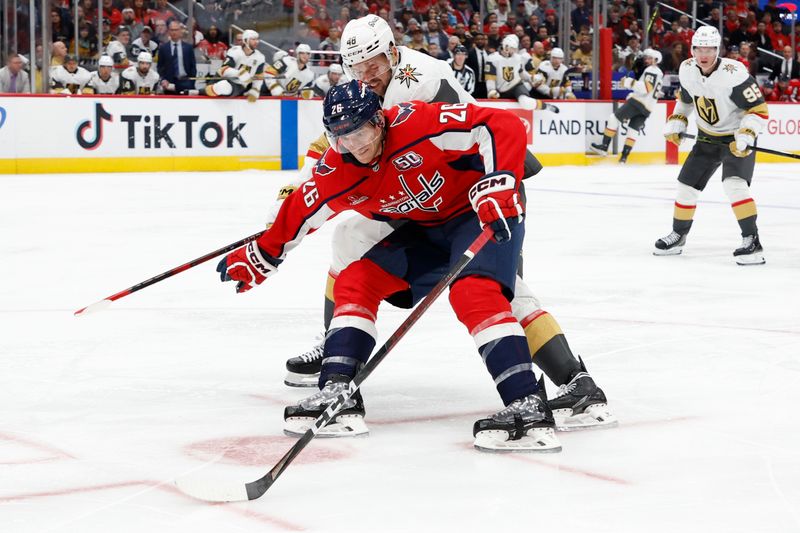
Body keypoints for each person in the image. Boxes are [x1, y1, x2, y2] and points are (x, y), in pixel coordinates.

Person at [272, 15, 614, 432]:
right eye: (356, 68)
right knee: (349, 237)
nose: (367, 75)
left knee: (495, 291)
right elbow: (336, 143)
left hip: (477, 188)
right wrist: (302, 190)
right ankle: (337, 356)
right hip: (427, 196)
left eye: (374, 65)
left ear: (392, 53)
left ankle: (574, 381)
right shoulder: (364, 87)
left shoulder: (420, 79)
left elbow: (451, 139)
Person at [218, 81, 562, 452]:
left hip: (478, 213)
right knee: (354, 280)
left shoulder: (418, 122)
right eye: (343, 136)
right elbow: (303, 207)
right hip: (427, 231)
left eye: (362, 130)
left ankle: (526, 403)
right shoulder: (340, 168)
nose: (356, 144)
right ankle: (338, 390)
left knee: (473, 292)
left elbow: (501, 123)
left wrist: (500, 183)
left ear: (379, 121)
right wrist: (264, 253)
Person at [658, 27, 768, 265]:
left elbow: (758, 110)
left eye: (709, 49)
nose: (703, 54)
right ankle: (679, 235)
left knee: (735, 186)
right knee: (685, 186)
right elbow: (686, 100)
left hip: (736, 139)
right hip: (707, 138)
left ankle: (752, 241)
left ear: (717, 50)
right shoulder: (687, 69)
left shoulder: (735, 73)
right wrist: (678, 120)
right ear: (692, 49)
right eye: (699, 48)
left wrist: (747, 135)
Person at [590, 48, 664, 163]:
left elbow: (647, 88)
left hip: (638, 102)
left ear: (656, 60)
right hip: (648, 107)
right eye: (647, 58)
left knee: (613, 118)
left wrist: (629, 82)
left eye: (650, 58)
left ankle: (604, 147)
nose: (647, 60)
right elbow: (655, 91)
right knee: (633, 131)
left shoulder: (652, 70)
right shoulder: (660, 74)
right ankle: (624, 158)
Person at [486, 34, 559, 111]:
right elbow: (490, 78)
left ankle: (546, 107)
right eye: (512, 48)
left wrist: (531, 78)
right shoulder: (493, 58)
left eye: (514, 48)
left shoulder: (517, 58)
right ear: (505, 46)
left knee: (526, 102)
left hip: (516, 84)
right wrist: (491, 90)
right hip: (500, 88)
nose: (514, 51)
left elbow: (521, 72)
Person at [205, 29, 264, 102]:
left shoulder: (260, 57)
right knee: (210, 88)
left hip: (238, 84)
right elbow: (224, 70)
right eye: (253, 39)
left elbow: (259, 76)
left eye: (257, 39)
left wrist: (255, 90)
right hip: (221, 77)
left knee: (223, 86)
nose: (256, 42)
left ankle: (202, 91)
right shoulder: (234, 51)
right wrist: (239, 73)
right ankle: (197, 91)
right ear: (245, 40)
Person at [157, 21, 197, 94]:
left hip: (186, 83)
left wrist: (191, 82)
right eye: (172, 30)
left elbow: (193, 67)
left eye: (176, 30)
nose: (174, 32)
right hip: (169, 84)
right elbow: (160, 67)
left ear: (180, 31)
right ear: (169, 31)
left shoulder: (188, 48)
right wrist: (163, 80)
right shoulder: (163, 48)